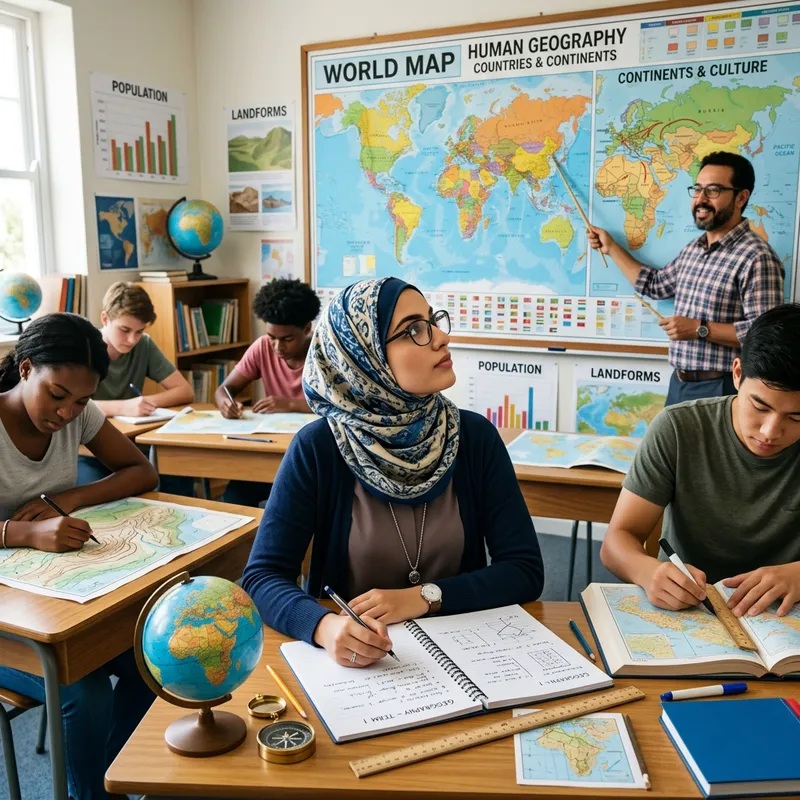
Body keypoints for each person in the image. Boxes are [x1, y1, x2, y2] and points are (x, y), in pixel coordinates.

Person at [242, 277, 544, 667]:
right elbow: (263, 576)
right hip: (356, 667)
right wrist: (325, 626)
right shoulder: (318, 447)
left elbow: (525, 571)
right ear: (364, 358)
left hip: (467, 653)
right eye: (414, 330)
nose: (440, 338)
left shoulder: (474, 437)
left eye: (432, 321)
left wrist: (422, 597)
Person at [0, 313, 159, 800]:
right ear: (27, 369)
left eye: (82, 401)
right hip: (12, 614)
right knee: (85, 693)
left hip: (56, 593)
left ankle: (107, 777)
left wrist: (64, 501)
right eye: (57, 395)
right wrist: (22, 532)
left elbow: (141, 472)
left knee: (154, 662)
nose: (67, 413)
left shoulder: (78, 415)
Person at [600, 303, 800, 619]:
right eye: (759, 407)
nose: (770, 432)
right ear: (737, 374)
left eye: (796, 417)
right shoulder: (679, 428)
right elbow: (616, 542)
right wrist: (647, 572)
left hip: (784, 619)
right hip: (691, 612)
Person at [589, 151, 784, 406]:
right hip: (679, 383)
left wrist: (699, 329)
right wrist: (611, 247)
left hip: (724, 388)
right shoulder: (694, 249)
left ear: (741, 197)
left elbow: (767, 337)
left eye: (713, 190)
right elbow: (655, 285)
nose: (701, 200)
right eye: (698, 189)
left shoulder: (756, 257)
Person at [77, 281, 194, 494]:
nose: (132, 340)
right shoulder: (82, 348)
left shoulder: (144, 344)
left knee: (179, 472)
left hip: (132, 445)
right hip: (88, 449)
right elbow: (73, 406)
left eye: (139, 331)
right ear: (105, 319)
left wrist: (145, 404)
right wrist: (122, 407)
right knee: (96, 495)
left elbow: (185, 391)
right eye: (125, 330)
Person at [214, 278, 321, 507]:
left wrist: (291, 404)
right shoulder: (263, 347)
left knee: (293, 502)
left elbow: (343, 406)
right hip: (271, 449)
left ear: (307, 328)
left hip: (312, 456)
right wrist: (225, 403)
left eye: (287, 339)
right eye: (272, 337)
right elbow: (224, 389)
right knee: (235, 497)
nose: (277, 347)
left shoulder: (326, 352)